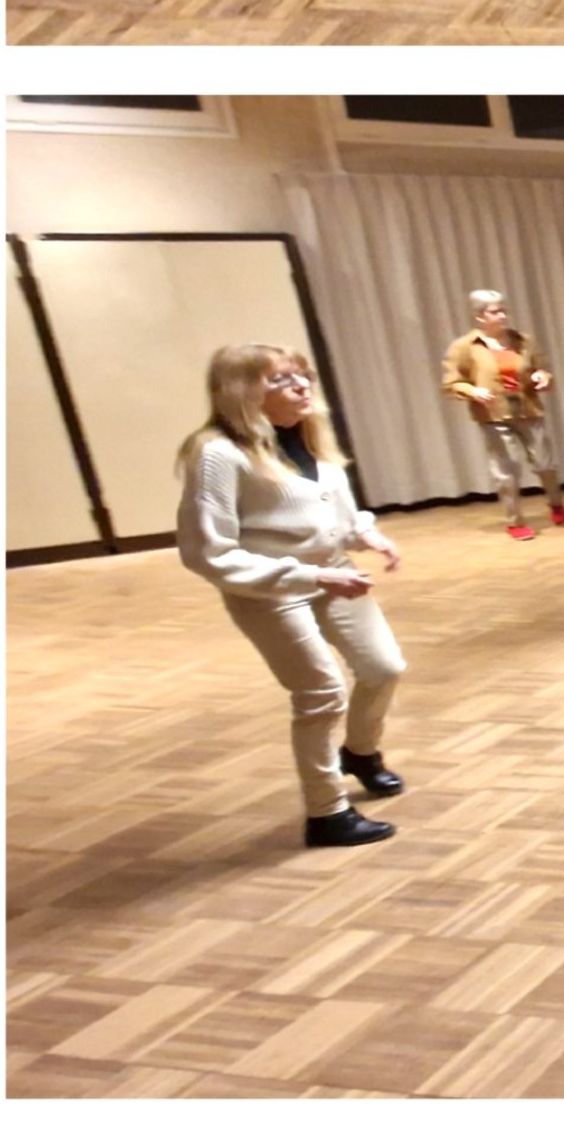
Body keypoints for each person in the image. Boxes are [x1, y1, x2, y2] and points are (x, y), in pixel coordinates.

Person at [175, 344, 405, 849]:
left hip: (333, 573)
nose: (301, 386)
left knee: (383, 668)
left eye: (303, 375)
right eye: (281, 379)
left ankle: (360, 753)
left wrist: (366, 535)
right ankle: (326, 813)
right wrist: (312, 577)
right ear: (241, 390)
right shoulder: (218, 454)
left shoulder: (308, 435)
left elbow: (335, 510)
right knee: (321, 692)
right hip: (268, 589)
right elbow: (207, 553)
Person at [438, 287, 564, 538]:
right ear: (479, 316)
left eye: (503, 311)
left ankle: (556, 504)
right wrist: (473, 391)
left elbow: (542, 368)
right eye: (494, 312)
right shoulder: (464, 347)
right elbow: (451, 383)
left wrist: (542, 376)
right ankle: (515, 521)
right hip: (494, 414)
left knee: (545, 463)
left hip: (528, 409)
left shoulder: (523, 340)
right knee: (506, 470)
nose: (502, 316)